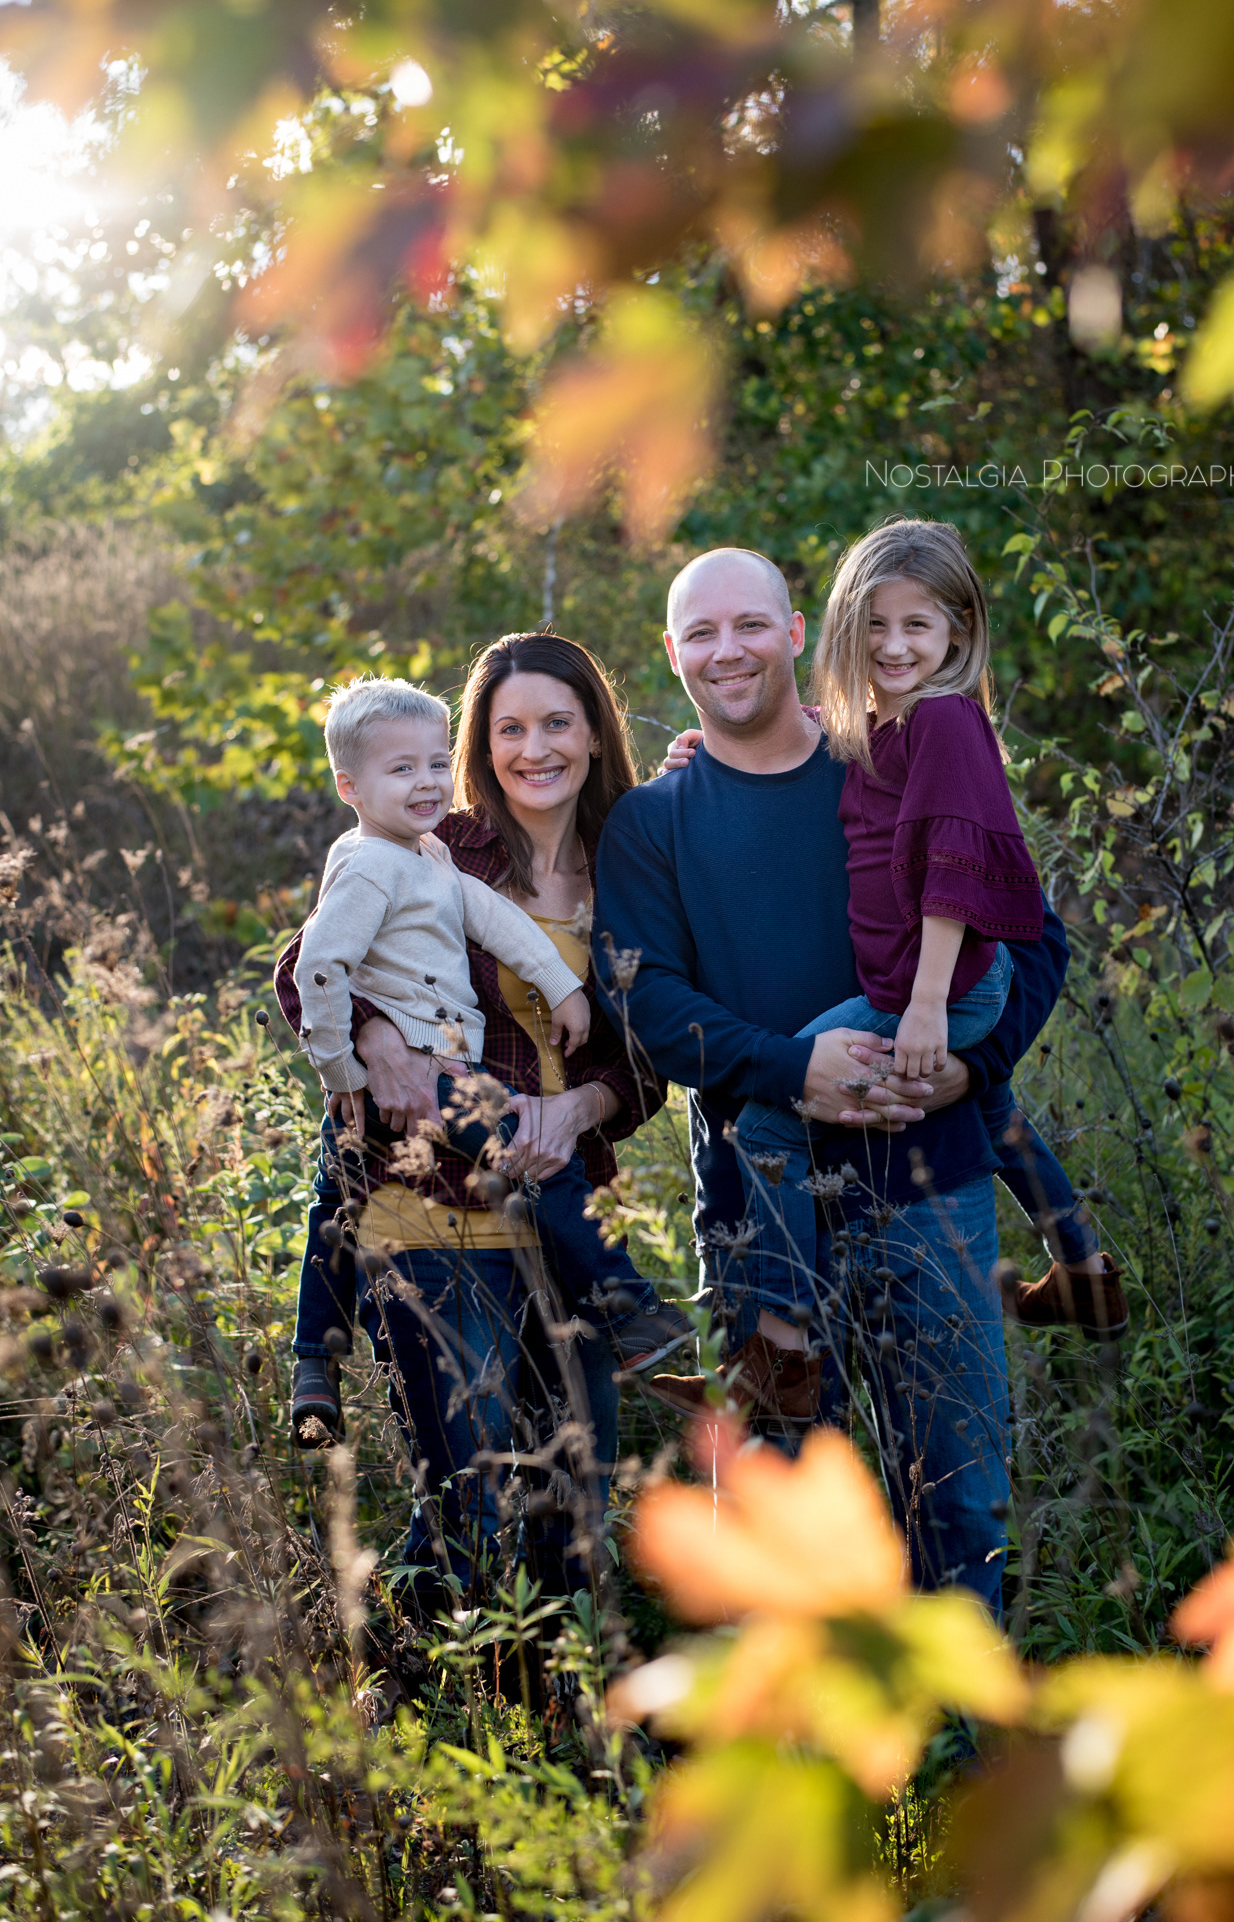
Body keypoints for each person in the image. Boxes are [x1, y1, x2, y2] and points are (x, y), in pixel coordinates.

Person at [591, 542, 1114, 1614]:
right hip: (756, 1222)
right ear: (672, 652)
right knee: (776, 1531)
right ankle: (807, 1770)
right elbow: (649, 1011)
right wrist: (797, 1070)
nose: (726, 649)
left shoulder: (893, 753)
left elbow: (1031, 935)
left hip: (927, 1185)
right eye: (700, 631)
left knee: (959, 1506)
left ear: (794, 632)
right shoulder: (653, 819)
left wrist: (964, 1066)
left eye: (750, 624)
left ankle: (960, 1768)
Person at [663, 522, 1125, 1363]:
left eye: (916, 625)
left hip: (934, 985)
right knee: (992, 1105)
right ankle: (1081, 1265)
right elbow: (835, 745)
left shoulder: (945, 722)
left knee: (770, 1115)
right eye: (873, 625)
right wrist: (724, 748)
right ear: (842, 630)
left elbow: (953, 872)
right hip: (925, 986)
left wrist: (924, 1009)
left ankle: (780, 1345)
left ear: (958, 628)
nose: (892, 644)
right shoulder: (888, 730)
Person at [275, 634, 673, 1609]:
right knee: (469, 1501)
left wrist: (581, 1102)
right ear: (480, 745)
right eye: (507, 728)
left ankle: (570, 1714)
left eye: (555, 723)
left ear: (593, 732)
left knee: (571, 1498)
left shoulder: (637, 863)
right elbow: (305, 965)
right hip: (434, 1211)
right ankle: (409, 1674)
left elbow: (659, 1049)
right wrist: (372, 1043)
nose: (532, 747)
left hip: (567, 1205)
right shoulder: (436, 842)